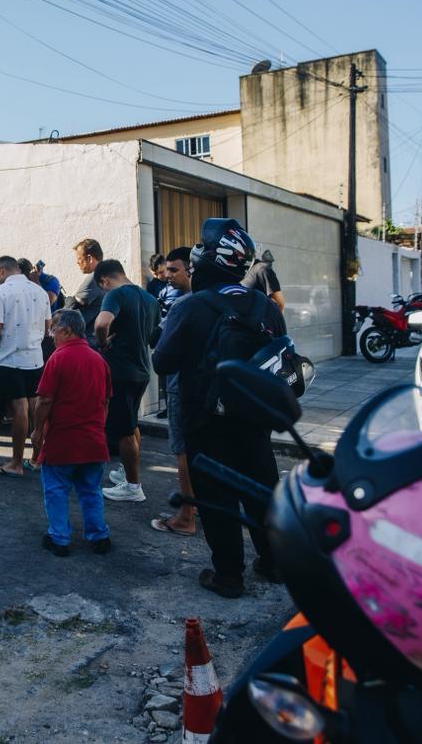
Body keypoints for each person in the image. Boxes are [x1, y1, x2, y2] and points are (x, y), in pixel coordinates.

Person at [153, 219, 287, 598]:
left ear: (210, 260)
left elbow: (162, 363)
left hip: (205, 420)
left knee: (217, 498)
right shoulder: (265, 306)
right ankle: (274, 563)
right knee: (261, 490)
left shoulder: (191, 307)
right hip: (255, 420)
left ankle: (229, 575)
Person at [30, 309, 112, 556]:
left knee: (56, 490)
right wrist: (98, 426)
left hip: (63, 438)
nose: (51, 334)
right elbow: (106, 402)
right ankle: (99, 536)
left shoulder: (58, 358)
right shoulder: (99, 359)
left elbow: (44, 400)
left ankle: (59, 538)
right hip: (93, 439)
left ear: (65, 330)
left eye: (53, 329)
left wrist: (37, 431)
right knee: (90, 490)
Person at [91, 259, 158, 503]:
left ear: (104, 280)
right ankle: (127, 473)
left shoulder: (116, 294)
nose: (104, 291)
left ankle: (132, 486)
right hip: (141, 369)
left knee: (124, 431)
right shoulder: (150, 299)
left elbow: (102, 323)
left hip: (121, 371)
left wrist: (102, 342)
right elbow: (153, 336)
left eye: (103, 287)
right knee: (131, 424)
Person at [0, 255, 51, 477]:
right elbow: (48, 326)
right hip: (35, 357)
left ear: (2, 271)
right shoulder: (40, 292)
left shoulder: (0, 292)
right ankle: (37, 458)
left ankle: (16, 462)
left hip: (10, 359)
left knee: (19, 408)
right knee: (35, 407)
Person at [148, 247, 197, 535]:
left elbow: (160, 350)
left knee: (183, 451)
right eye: (166, 270)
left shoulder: (185, 305)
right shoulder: (220, 299)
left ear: (192, 269)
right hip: (208, 389)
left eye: (174, 270)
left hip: (183, 385)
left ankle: (186, 516)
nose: (167, 276)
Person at [71, 238, 104, 346]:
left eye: (79, 258)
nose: (77, 262)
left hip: (89, 342)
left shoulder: (94, 278)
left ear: (90, 258)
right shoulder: (109, 274)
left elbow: (70, 310)